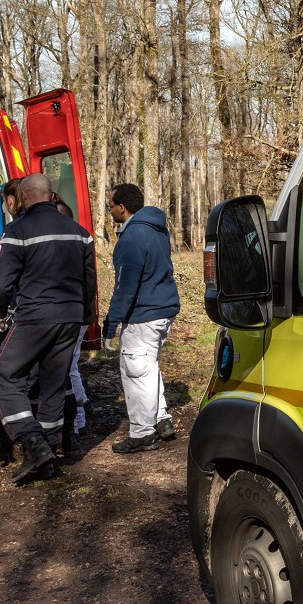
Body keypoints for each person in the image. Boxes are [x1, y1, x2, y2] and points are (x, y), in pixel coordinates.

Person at [0, 173, 96, 483]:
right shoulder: (80, 233)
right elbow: (90, 280)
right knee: (54, 384)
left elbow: (1, 282)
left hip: (35, 317)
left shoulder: (16, 231)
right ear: (51, 196)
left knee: (4, 377)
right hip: (70, 317)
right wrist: (85, 316)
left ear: (22, 199)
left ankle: (32, 443)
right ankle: (48, 453)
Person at [103, 183, 180, 454]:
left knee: (136, 372)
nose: (109, 210)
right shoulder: (156, 229)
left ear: (122, 208)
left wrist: (111, 323)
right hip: (163, 310)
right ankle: (161, 419)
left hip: (144, 315)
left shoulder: (132, 238)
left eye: (110, 205)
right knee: (148, 367)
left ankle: (142, 433)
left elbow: (126, 287)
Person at [55, 201, 91, 448]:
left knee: (68, 368)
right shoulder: (80, 239)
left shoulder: (64, 244)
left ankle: (77, 420)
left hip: (67, 313)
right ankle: (81, 410)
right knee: (72, 366)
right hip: (77, 312)